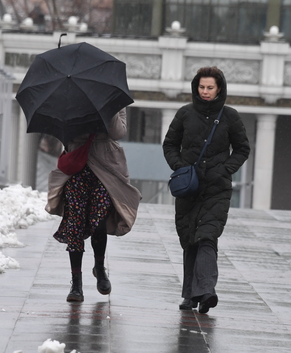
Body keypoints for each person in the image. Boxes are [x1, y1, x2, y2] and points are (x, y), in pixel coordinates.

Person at [162, 66, 250, 314]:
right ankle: (190, 296)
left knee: (207, 237)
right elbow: (169, 145)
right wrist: (181, 167)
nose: (205, 91)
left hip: (217, 189)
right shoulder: (185, 114)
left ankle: (207, 291)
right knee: (190, 239)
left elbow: (243, 149)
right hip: (189, 188)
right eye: (201, 87)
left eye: (210, 87)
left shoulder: (230, 116)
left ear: (219, 88)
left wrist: (225, 169)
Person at [46, 109, 141, 302]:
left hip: (106, 168)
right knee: (75, 224)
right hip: (77, 167)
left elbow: (118, 132)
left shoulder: (114, 99)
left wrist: (108, 109)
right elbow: (63, 132)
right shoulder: (71, 97)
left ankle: (99, 267)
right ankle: (76, 283)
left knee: (99, 222)